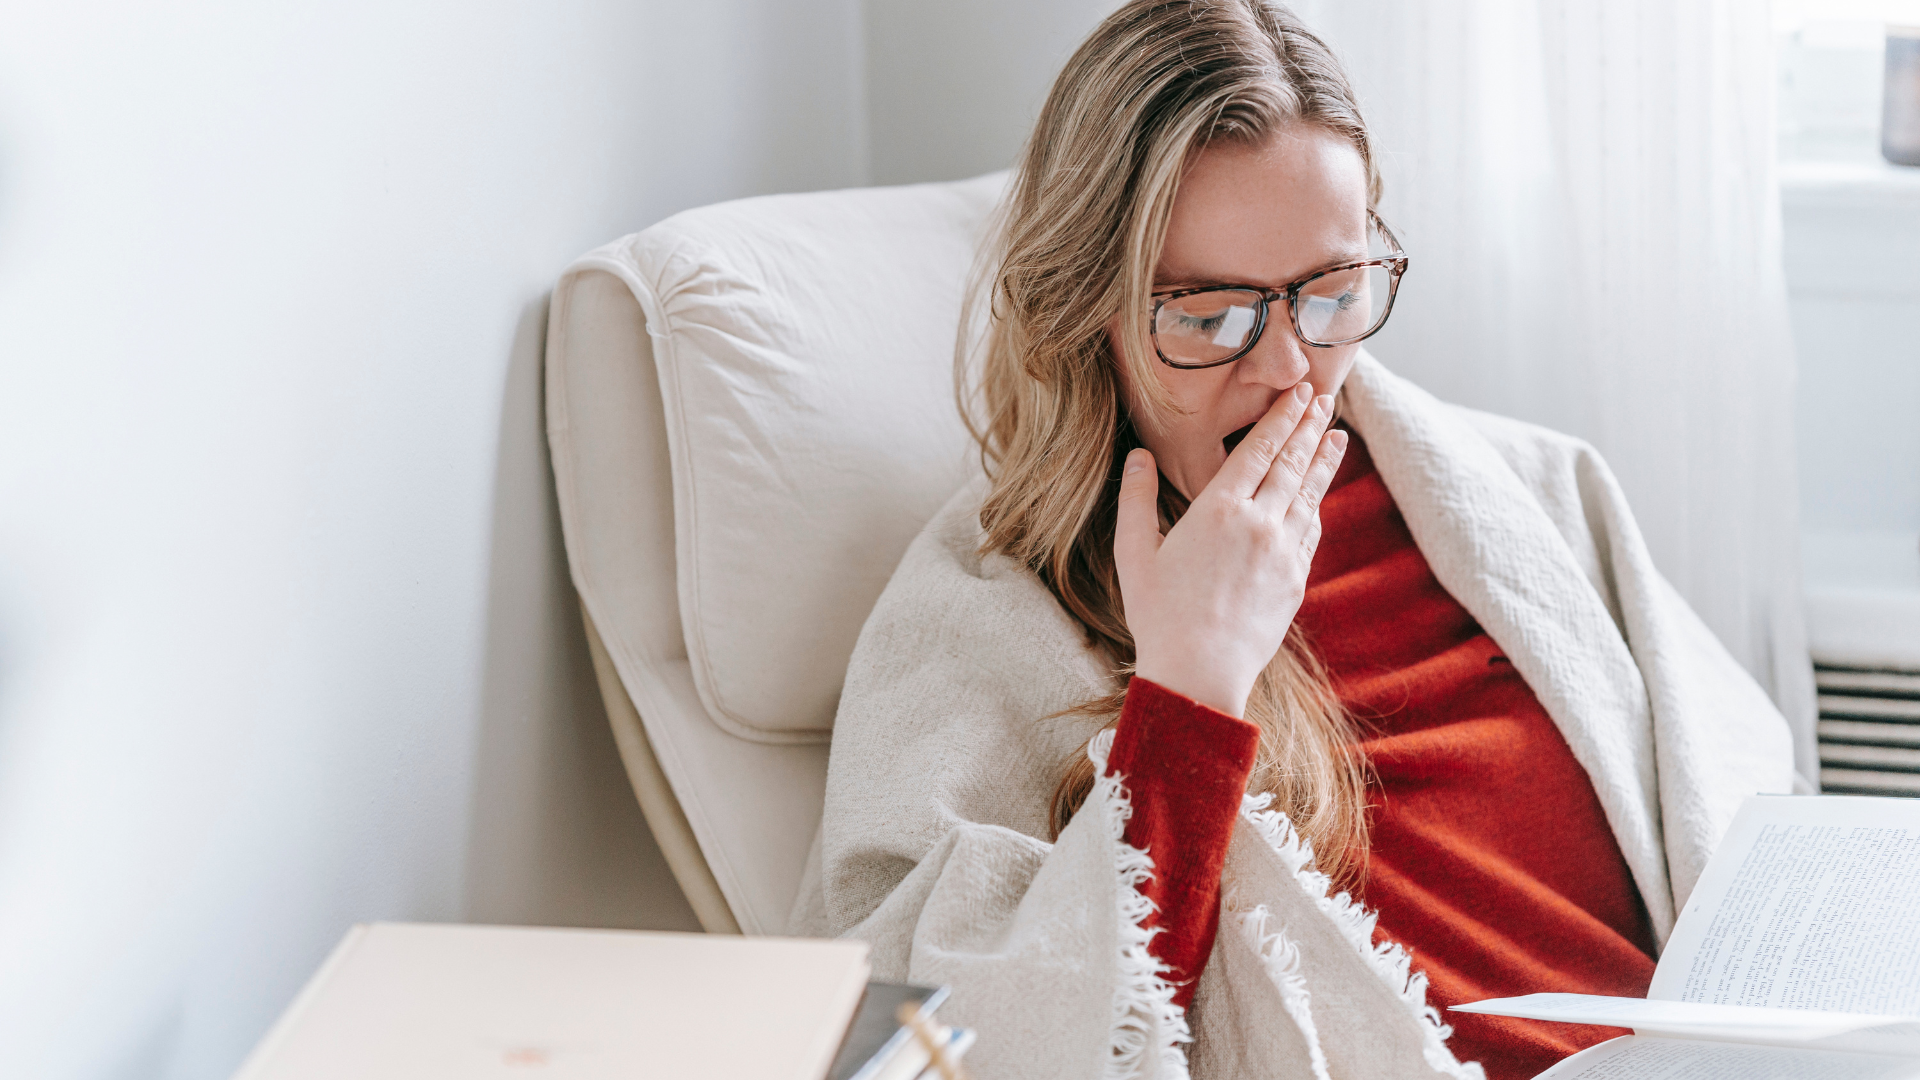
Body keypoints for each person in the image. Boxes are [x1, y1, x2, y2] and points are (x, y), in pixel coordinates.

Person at [787, 2, 1797, 1077]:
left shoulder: (1535, 493)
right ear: (1087, 311)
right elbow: (936, 1040)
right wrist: (1189, 685)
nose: (1287, 373)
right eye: (1210, 314)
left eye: (1331, 293)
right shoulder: (982, 613)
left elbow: (1746, 821)